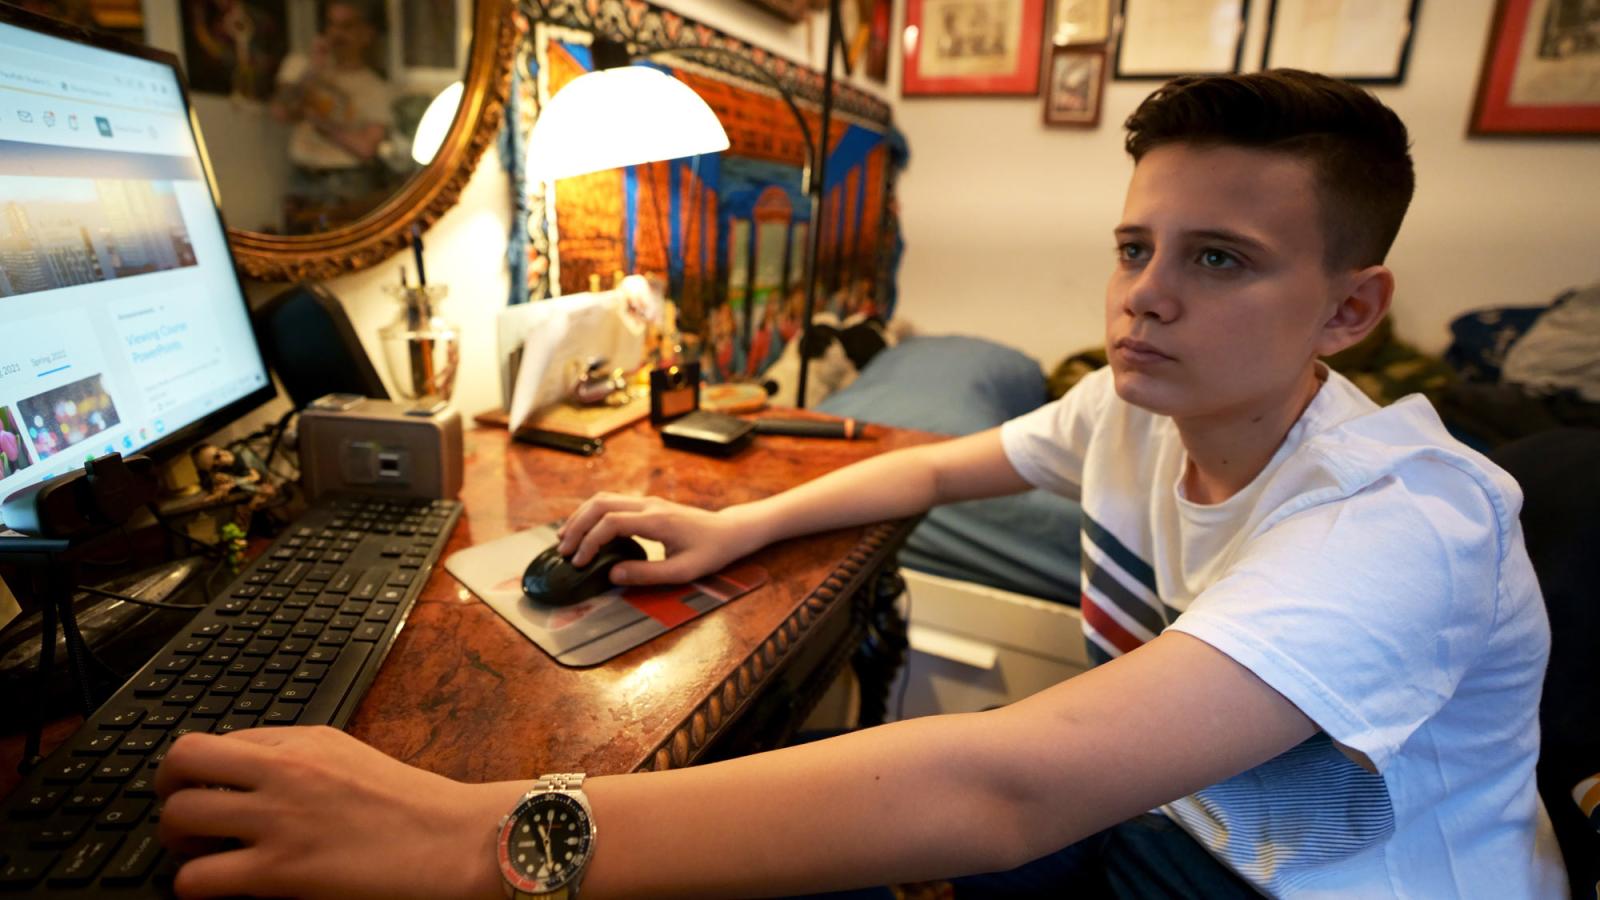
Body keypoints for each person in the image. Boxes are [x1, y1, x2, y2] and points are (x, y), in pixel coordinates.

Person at [156, 70, 1567, 898]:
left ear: (1347, 310)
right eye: (1136, 248)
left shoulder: (1404, 525)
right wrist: (729, 523)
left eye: (1219, 260)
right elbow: (940, 462)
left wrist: (475, 837)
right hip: (1164, 833)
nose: (1143, 298)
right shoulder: (1133, 404)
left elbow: (1006, 787)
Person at [269, 0, 394, 232]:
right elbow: (280, 111)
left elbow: (366, 148)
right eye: (331, 25)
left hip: (347, 184)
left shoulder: (377, 88)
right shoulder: (300, 65)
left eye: (346, 26)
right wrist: (312, 72)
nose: (337, 34)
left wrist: (321, 125)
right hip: (301, 178)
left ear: (366, 35)